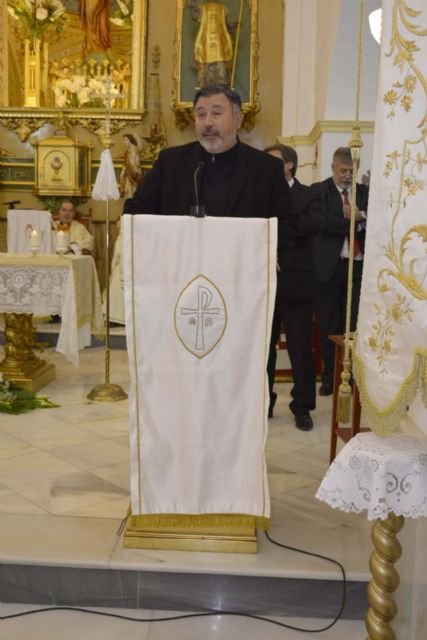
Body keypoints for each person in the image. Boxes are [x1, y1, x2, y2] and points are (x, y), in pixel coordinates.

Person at [124, 84, 297, 262]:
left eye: (216, 113)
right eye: (201, 114)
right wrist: (156, 250)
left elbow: (287, 221)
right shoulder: (170, 162)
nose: (207, 122)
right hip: (180, 270)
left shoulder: (266, 168)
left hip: (242, 272)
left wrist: (270, 254)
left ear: (238, 119)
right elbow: (135, 210)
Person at [264, 144, 322, 430]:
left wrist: (274, 224)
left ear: (290, 165)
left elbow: (310, 225)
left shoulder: (309, 194)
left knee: (300, 349)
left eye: (272, 162)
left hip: (297, 283)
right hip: (263, 282)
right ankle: (265, 402)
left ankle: (302, 406)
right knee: (264, 349)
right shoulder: (258, 194)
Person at [311, 147, 369, 396]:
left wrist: (362, 214)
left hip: (358, 270)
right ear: (333, 167)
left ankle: (353, 378)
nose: (347, 175)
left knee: (355, 327)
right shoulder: (319, 191)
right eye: (342, 170)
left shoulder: (365, 193)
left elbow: (379, 219)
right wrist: (354, 221)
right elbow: (322, 222)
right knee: (329, 327)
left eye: (351, 171)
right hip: (329, 270)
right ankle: (329, 380)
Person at [119, 134, 143, 199]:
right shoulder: (129, 149)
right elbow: (127, 159)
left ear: (130, 140)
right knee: (128, 190)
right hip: (129, 171)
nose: (124, 142)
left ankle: (132, 205)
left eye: (126, 140)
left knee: (132, 190)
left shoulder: (134, 149)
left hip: (133, 172)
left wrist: (128, 169)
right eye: (124, 140)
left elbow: (134, 162)